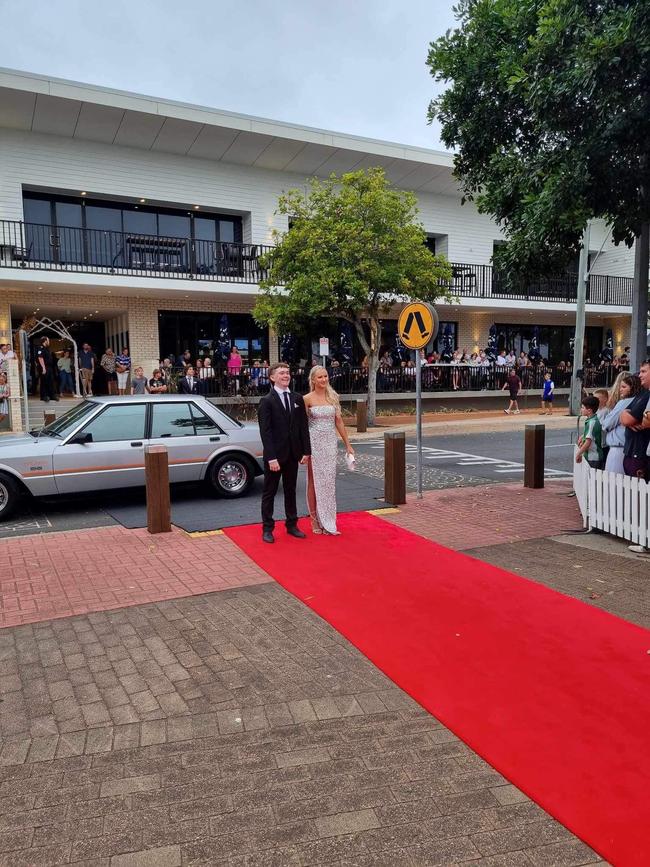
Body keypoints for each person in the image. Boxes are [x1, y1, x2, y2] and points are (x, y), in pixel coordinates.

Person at [258, 361, 311, 544]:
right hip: (274, 457)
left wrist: (306, 451)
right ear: (272, 377)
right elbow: (265, 432)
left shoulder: (297, 398)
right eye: (281, 373)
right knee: (269, 492)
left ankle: (292, 525)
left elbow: (303, 427)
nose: (286, 375)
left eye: (287, 372)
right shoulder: (266, 401)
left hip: (292, 455)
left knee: (290, 491)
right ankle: (267, 528)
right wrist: (271, 457)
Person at [304, 365, 355, 535]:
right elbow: (302, 426)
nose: (324, 379)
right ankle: (314, 520)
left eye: (325, 376)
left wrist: (348, 444)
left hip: (330, 444)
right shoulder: (307, 399)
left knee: (328, 482)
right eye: (320, 377)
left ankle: (328, 521)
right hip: (314, 444)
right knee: (313, 481)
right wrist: (304, 450)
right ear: (313, 380)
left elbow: (338, 421)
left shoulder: (333, 397)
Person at [601, 374, 642, 475]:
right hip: (630, 447)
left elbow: (607, 424)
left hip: (618, 447)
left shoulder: (624, 402)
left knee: (613, 482)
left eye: (624, 387)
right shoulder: (640, 400)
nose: (620, 390)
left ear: (632, 388)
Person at [620, 359, 650, 482]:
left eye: (643, 371)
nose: (639, 375)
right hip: (633, 451)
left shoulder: (646, 396)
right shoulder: (643, 393)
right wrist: (624, 413)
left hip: (640, 452)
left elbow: (643, 422)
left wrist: (628, 417)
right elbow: (624, 417)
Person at [575, 395, 604, 469]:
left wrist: (579, 453)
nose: (581, 409)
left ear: (589, 410)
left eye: (583, 407)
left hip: (593, 457)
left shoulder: (592, 422)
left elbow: (588, 442)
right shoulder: (592, 420)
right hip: (592, 456)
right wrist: (582, 436)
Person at [36, 336, 58, 403]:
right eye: (48, 340)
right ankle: (44, 396)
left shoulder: (47, 348)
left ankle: (52, 396)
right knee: (44, 382)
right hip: (44, 367)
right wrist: (43, 368)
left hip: (49, 368)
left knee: (50, 381)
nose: (49, 342)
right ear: (45, 341)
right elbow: (40, 358)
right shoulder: (40, 348)